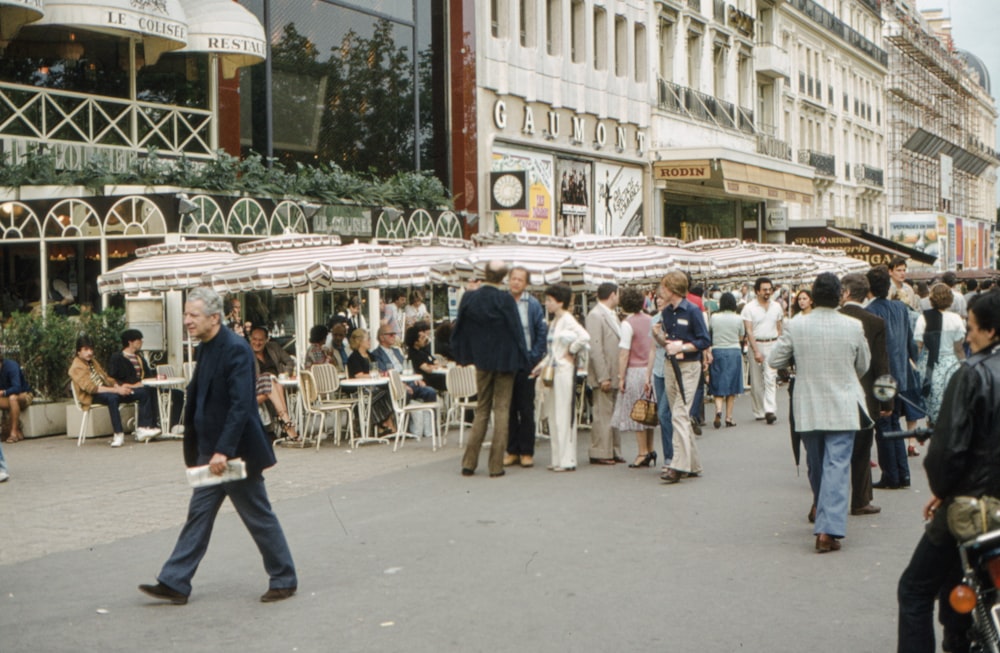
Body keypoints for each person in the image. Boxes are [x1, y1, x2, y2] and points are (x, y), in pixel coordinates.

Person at [139, 287, 297, 605]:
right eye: (185, 314)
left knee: (257, 515)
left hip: (233, 453)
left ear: (214, 317)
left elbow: (241, 406)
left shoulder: (236, 349)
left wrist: (223, 450)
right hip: (211, 452)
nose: (186, 321)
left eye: (193, 315)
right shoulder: (206, 347)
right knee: (199, 515)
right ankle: (175, 581)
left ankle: (284, 578)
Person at [896, 292, 1000, 653]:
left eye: (971, 328)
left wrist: (943, 490)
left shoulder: (973, 374)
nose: (967, 337)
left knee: (914, 589)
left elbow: (948, 451)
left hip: (976, 504)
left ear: (991, 330)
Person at [769, 273, 871, 553]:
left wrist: (796, 359)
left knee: (816, 464)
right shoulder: (853, 326)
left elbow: (774, 359)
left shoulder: (797, 325)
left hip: (808, 403)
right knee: (837, 465)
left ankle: (823, 511)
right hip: (843, 402)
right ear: (840, 295)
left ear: (813, 296)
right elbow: (863, 365)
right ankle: (828, 529)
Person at [450, 260, 529, 477]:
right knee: (502, 409)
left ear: (484, 273)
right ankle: (496, 466)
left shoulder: (470, 297)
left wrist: (463, 356)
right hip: (506, 360)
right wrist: (525, 359)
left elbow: (459, 329)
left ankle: (469, 462)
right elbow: (516, 332)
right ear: (504, 277)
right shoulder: (506, 299)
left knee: (482, 409)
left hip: (482, 360)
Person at [839, 273, 889, 518]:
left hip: (834, 395)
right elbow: (881, 365)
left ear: (845, 293)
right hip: (865, 397)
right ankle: (860, 500)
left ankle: (823, 500)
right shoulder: (875, 322)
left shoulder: (835, 319)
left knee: (833, 452)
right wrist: (886, 400)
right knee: (861, 451)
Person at [866, 265, 919, 490]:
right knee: (895, 423)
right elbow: (910, 343)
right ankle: (903, 474)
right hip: (901, 373)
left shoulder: (870, 311)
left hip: (882, 377)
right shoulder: (900, 308)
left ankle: (891, 475)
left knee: (884, 427)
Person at [655, 271, 711, 484]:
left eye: (664, 288)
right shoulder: (667, 313)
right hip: (671, 365)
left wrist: (684, 346)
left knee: (678, 413)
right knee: (680, 415)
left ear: (672, 290)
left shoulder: (694, 311)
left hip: (689, 366)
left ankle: (677, 464)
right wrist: (659, 337)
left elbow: (704, 339)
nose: (661, 292)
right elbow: (667, 341)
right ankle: (693, 464)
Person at [534, 284, 590, 472]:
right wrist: (540, 366)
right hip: (554, 369)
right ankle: (558, 458)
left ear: (560, 302)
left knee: (563, 413)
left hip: (564, 370)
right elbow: (553, 350)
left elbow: (584, 337)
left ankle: (567, 459)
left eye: (550, 300)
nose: (547, 303)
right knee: (554, 413)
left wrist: (571, 351)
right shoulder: (556, 321)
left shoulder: (566, 319)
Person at [68, 335, 150, 448]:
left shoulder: (92, 362)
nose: (89, 352)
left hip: (107, 391)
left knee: (142, 392)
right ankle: (118, 434)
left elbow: (106, 378)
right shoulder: (76, 367)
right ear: (78, 352)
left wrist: (118, 387)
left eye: (91, 349)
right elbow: (91, 388)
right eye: (86, 350)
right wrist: (116, 390)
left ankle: (143, 428)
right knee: (113, 398)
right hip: (90, 396)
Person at [504, 266, 547, 469]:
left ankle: (527, 451)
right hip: (506, 362)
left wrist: (534, 357)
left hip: (527, 362)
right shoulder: (502, 303)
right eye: (513, 278)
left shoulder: (533, 305)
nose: (516, 282)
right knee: (509, 408)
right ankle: (512, 450)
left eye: (520, 280)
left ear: (526, 283)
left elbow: (541, 332)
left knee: (526, 407)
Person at [610, 287, 656, 469]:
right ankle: (651, 449)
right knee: (650, 412)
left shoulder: (627, 323)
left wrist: (621, 377)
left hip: (635, 370)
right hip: (650, 370)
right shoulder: (651, 320)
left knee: (638, 413)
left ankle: (642, 452)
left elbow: (624, 352)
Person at [107, 329, 180, 437]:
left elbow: (148, 376)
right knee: (147, 392)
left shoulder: (139, 358)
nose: (141, 342)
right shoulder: (117, 358)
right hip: (127, 390)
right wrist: (127, 386)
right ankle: (147, 426)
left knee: (178, 393)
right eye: (139, 340)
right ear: (130, 342)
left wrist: (156, 378)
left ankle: (174, 425)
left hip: (144, 386)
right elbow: (111, 377)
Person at [914, 283, 966, 424]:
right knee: (950, 403)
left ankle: (932, 425)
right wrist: (964, 366)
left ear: (931, 299)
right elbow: (959, 348)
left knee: (933, 403)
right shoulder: (957, 319)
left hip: (930, 365)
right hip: (951, 364)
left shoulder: (923, 318)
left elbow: (918, 346)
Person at [585, 282, 623, 466]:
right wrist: (603, 376)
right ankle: (600, 450)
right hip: (604, 373)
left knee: (613, 413)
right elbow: (595, 348)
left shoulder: (612, 315)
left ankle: (613, 449)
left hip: (614, 372)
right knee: (602, 413)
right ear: (612, 295)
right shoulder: (595, 315)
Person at [741, 277, 783, 424]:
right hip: (756, 344)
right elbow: (749, 331)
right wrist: (756, 350)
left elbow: (779, 327)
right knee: (757, 381)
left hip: (772, 344)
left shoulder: (777, 306)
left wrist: (780, 344)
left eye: (769, 289)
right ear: (757, 291)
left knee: (771, 378)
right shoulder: (749, 308)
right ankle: (759, 410)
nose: (767, 292)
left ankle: (770, 410)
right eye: (764, 289)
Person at [249, 326, 298, 442]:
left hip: (274, 386)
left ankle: (285, 421)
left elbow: (289, 361)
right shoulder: (245, 352)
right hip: (253, 388)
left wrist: (286, 373)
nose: (257, 342)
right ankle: (286, 421)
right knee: (268, 377)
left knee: (275, 382)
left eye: (261, 340)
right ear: (250, 339)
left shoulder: (274, 347)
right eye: (254, 339)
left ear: (267, 340)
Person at [346, 328, 396, 435]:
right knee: (384, 393)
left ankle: (383, 425)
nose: (370, 342)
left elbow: (376, 370)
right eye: (368, 339)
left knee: (388, 391)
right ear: (360, 341)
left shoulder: (370, 356)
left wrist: (380, 373)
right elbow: (359, 375)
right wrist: (374, 375)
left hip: (372, 387)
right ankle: (386, 424)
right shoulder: (354, 357)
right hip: (359, 390)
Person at [645, 291, 674, 471]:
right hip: (658, 371)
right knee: (665, 415)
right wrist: (647, 376)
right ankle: (670, 455)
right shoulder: (654, 319)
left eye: (662, 298)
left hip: (673, 369)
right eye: (657, 299)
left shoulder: (674, 318)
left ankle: (671, 457)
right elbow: (652, 350)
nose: (659, 301)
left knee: (664, 414)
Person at [707, 293, 744, 429]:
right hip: (734, 351)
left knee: (718, 383)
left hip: (718, 351)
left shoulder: (714, 317)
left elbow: (709, 332)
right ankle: (729, 417)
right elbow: (741, 336)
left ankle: (718, 410)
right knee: (732, 386)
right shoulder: (738, 318)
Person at [0, 352, 32, 444]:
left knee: (13, 398)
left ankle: (14, 432)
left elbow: (17, 388)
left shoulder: (11, 366)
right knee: (11, 398)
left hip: (24, 395)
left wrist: (3, 392)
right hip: (5, 398)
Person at [405, 321, 446, 393]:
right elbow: (427, 369)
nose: (425, 339)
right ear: (415, 342)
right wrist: (433, 366)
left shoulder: (424, 350)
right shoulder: (414, 354)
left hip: (435, 377)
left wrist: (432, 365)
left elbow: (436, 362)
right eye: (422, 338)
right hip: (426, 380)